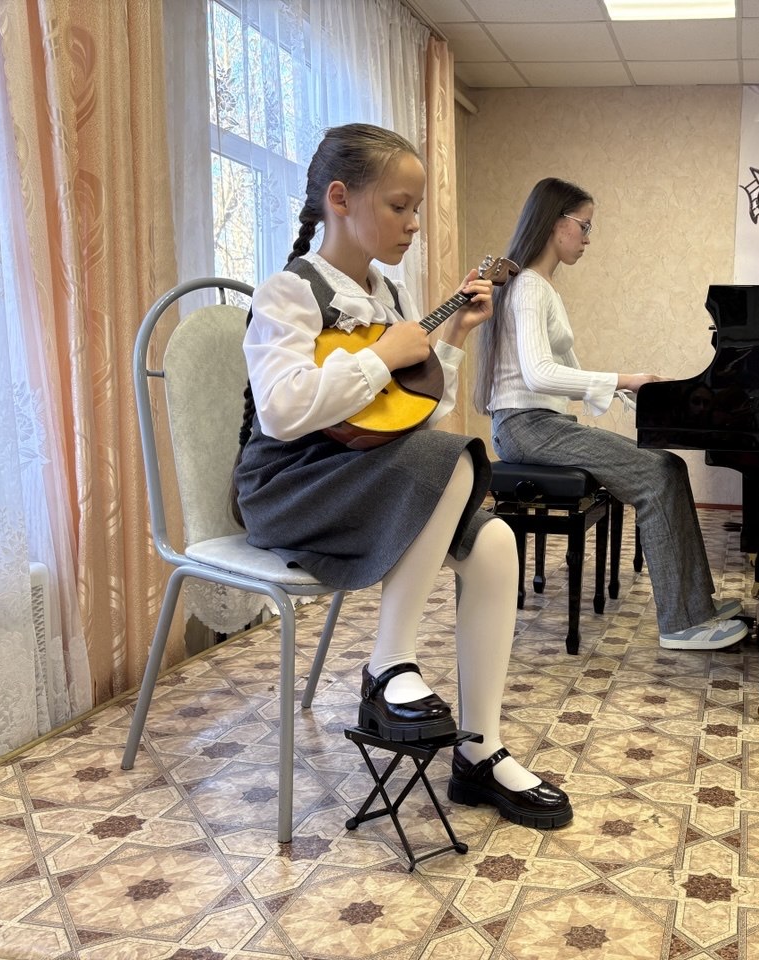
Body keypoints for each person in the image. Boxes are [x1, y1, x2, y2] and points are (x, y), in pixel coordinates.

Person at [232, 124, 571, 830]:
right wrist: (383, 355)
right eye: (399, 206)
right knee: (452, 458)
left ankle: (479, 752)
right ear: (339, 199)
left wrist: (453, 337)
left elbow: (406, 412)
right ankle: (389, 665)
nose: (414, 223)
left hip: (362, 472)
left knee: (495, 540)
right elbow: (284, 410)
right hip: (291, 486)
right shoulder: (289, 292)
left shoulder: (386, 293)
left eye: (415, 208)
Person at [472, 177, 747, 652]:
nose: (587, 238)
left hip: (534, 425)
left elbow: (563, 372)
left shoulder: (536, 286)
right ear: (556, 222)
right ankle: (682, 623)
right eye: (584, 226)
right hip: (527, 427)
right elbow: (538, 374)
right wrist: (626, 379)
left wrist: (633, 389)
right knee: (657, 474)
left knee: (667, 465)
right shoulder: (531, 286)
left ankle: (696, 602)